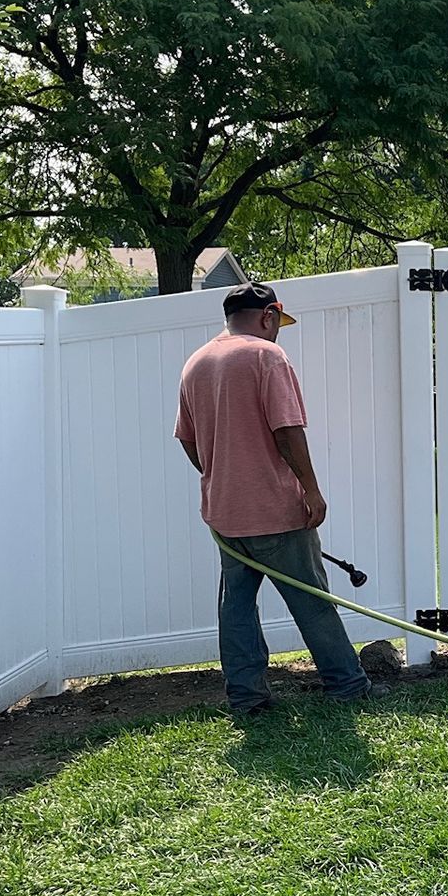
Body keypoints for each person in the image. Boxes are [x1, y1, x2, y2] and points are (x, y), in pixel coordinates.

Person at [176, 282, 373, 717]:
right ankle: (348, 685)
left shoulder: (196, 363)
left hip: (225, 516)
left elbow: (188, 441)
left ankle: (246, 698)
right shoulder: (266, 356)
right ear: (269, 314)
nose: (278, 332)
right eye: (277, 323)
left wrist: (220, 477)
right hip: (275, 511)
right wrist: (311, 488)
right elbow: (287, 428)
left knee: (237, 609)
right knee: (312, 600)